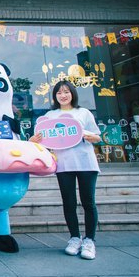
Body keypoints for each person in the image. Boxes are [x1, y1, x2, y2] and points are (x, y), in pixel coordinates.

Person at [30, 80, 101, 260]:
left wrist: (85, 134)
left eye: (66, 92)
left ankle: (89, 241)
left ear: (72, 93)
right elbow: (40, 139)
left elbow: (97, 137)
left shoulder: (83, 113)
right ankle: (74, 238)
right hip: (63, 164)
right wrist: (33, 140)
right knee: (69, 202)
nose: (63, 95)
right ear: (55, 96)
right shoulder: (50, 115)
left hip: (86, 163)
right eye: (59, 92)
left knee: (88, 202)